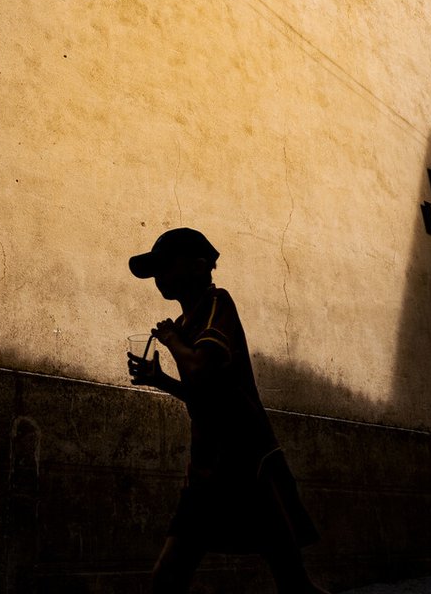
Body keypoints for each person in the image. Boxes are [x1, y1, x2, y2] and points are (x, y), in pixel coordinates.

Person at [127, 227, 328, 593]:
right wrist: (162, 381)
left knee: (292, 582)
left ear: (200, 264)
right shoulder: (188, 322)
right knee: (169, 574)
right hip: (210, 465)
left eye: (166, 266)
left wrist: (171, 341)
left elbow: (202, 368)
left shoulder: (216, 301)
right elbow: (204, 393)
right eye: (155, 271)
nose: (159, 278)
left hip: (244, 460)